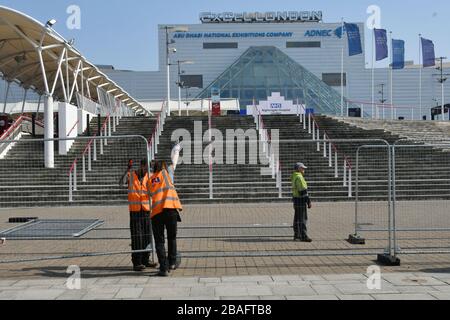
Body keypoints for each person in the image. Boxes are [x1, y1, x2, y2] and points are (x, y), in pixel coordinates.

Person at [148, 143, 182, 277]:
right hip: (171, 210)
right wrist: (176, 149)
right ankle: (172, 262)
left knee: (160, 241)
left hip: (157, 213)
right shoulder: (168, 173)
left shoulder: (150, 179)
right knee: (172, 237)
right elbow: (174, 160)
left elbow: (150, 194)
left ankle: (164, 268)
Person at [121, 159, 154, 272]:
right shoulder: (131, 175)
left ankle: (146, 259)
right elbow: (121, 182)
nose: (146, 171)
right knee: (137, 237)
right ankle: (137, 262)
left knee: (147, 236)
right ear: (141, 166)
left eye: (148, 169)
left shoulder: (149, 176)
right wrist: (127, 169)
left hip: (146, 211)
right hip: (135, 211)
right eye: (145, 168)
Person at [291, 162, 312, 242]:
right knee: (302, 219)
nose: (304, 170)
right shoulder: (299, 177)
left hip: (296, 199)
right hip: (301, 199)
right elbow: (303, 190)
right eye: (302, 168)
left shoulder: (294, 176)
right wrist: (308, 201)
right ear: (299, 168)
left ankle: (297, 235)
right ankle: (303, 236)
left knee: (297, 218)